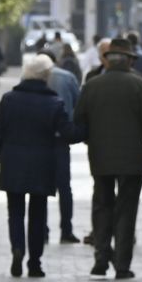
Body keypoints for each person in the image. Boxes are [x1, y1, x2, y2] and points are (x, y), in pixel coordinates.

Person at [74, 37, 142, 279]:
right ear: (130, 60)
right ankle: (122, 264)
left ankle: (101, 259)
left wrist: (88, 139)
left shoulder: (92, 85)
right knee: (127, 210)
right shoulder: (139, 85)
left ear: (108, 60)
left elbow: (79, 120)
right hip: (132, 160)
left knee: (102, 206)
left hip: (100, 157)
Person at [0, 54, 66, 278]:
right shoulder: (54, 102)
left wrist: (2, 156)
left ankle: (17, 247)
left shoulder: (9, 99)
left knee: (15, 211)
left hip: (13, 161)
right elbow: (66, 132)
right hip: (42, 164)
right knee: (38, 214)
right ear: (46, 76)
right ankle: (35, 263)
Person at [47, 56, 83, 244]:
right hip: (62, 139)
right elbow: (79, 105)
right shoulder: (67, 77)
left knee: (40, 188)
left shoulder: (31, 77)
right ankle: (66, 230)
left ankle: (42, 231)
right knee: (64, 187)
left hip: (39, 141)